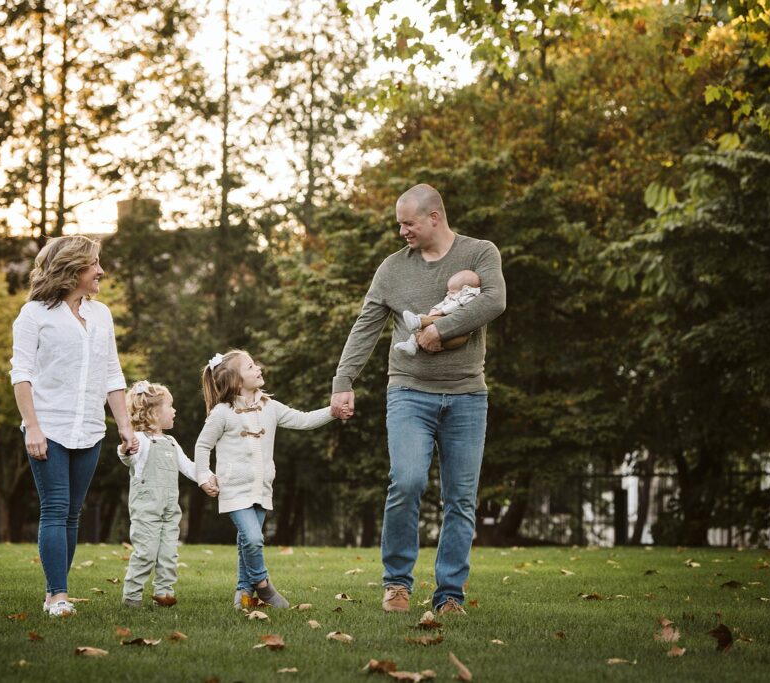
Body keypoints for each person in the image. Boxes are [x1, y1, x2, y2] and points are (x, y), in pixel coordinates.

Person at [330, 184, 506, 615]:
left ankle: (449, 594)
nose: (402, 231)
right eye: (399, 224)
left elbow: (495, 301)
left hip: (467, 394)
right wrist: (343, 380)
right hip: (409, 391)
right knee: (406, 482)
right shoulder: (392, 269)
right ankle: (396, 584)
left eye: (408, 223)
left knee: (461, 498)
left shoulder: (480, 253)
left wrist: (439, 330)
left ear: (434, 217)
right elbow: (366, 326)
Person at [10, 235, 139, 617]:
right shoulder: (33, 314)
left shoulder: (101, 315)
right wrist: (32, 427)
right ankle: (57, 596)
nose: (100, 271)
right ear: (71, 269)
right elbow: (22, 374)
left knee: (73, 512)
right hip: (48, 426)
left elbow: (112, 374)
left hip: (90, 429)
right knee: (55, 506)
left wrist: (125, 427)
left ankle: (57, 591)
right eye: (94, 264)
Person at [193, 350, 338, 610]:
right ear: (237, 381)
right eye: (250, 366)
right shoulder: (222, 413)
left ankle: (243, 592)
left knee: (245, 541)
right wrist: (203, 476)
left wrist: (333, 411)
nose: (258, 368)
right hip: (234, 488)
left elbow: (303, 420)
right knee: (253, 538)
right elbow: (203, 445)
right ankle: (263, 586)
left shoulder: (269, 407)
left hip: (261, 487)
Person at [118, 380, 219, 608]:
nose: (175, 411)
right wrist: (125, 448)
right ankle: (132, 596)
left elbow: (190, 467)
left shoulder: (171, 443)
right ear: (153, 413)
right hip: (146, 511)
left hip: (169, 511)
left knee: (168, 556)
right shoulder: (140, 441)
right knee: (146, 553)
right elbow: (128, 458)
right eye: (170, 406)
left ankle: (164, 594)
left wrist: (207, 478)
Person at [394, 269, 482, 355]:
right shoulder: (454, 296)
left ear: (465, 288)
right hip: (449, 336)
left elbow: (457, 304)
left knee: (439, 319)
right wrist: (434, 310)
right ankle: (413, 344)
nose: (448, 293)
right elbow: (443, 303)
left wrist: (441, 311)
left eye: (452, 291)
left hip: (460, 333)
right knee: (431, 322)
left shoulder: (471, 294)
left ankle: (418, 321)